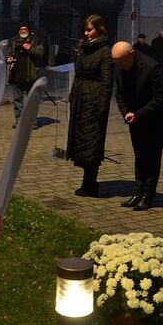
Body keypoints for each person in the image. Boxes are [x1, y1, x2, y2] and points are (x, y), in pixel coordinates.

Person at [111, 41, 163, 211]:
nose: (120, 66)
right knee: (139, 157)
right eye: (117, 62)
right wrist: (125, 113)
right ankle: (138, 191)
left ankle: (148, 194)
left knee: (151, 159)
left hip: (153, 121)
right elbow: (119, 94)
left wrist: (138, 114)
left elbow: (161, 97)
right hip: (134, 120)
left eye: (122, 61)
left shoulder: (152, 67)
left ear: (132, 53)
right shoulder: (119, 66)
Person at [67, 15, 113, 197]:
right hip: (80, 99)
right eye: (85, 30)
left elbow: (107, 81)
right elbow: (78, 74)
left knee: (92, 142)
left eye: (90, 30)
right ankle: (87, 181)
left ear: (99, 29)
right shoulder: (84, 48)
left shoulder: (105, 51)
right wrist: (72, 96)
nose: (86, 33)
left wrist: (101, 105)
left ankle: (90, 182)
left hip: (93, 101)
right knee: (81, 140)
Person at [7, 23, 45, 129]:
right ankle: (19, 120)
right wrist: (8, 59)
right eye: (21, 29)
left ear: (28, 30)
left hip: (31, 74)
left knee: (31, 99)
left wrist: (29, 49)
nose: (23, 31)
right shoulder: (13, 41)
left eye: (25, 29)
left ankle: (32, 121)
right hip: (16, 74)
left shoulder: (36, 40)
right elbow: (9, 54)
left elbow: (40, 54)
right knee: (17, 100)